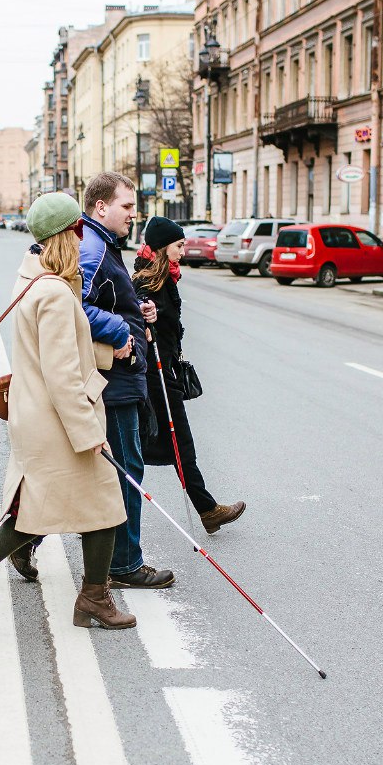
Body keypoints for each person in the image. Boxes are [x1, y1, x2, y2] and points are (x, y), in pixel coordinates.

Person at [0, 192, 135, 630]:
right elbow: (62, 374)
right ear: (71, 234)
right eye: (80, 233)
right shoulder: (57, 294)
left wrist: (105, 351)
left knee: (34, 511)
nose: (84, 241)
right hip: (58, 421)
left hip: (38, 415)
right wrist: (89, 433)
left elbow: (54, 351)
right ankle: (94, 600)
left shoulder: (34, 280)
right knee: (105, 504)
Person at [75, 172, 174, 589]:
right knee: (125, 470)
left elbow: (106, 299)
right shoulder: (93, 249)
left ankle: (25, 542)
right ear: (102, 207)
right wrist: (121, 330)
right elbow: (74, 305)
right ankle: (125, 564)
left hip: (120, 375)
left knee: (100, 470)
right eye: (127, 207)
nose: (134, 215)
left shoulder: (102, 244)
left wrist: (139, 309)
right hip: (113, 381)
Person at [133, 216, 246, 535]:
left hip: (162, 371)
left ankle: (207, 509)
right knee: (169, 445)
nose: (183, 250)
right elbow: (140, 320)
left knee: (157, 448)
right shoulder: (146, 283)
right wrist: (147, 320)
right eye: (179, 245)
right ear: (163, 247)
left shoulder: (164, 277)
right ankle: (207, 509)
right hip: (155, 376)